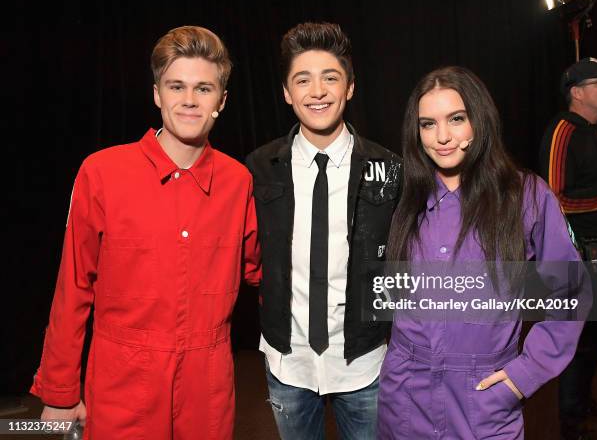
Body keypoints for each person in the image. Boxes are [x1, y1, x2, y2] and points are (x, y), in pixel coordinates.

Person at [30, 26, 261, 439]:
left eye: (204, 88)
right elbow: (74, 284)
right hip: (122, 385)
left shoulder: (238, 181)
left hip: (206, 386)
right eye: (176, 86)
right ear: (157, 94)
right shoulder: (101, 172)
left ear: (221, 102)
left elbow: (264, 274)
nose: (189, 100)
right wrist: (60, 392)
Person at [377, 66, 588, 439]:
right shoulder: (404, 196)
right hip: (406, 397)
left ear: (480, 119)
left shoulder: (527, 196)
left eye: (456, 119)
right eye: (428, 124)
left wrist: (525, 374)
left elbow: (572, 291)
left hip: (484, 398)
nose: (442, 137)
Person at [246, 22, 401, 439]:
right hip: (287, 360)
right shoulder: (258, 168)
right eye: (303, 80)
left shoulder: (388, 168)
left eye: (330, 78)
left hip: (366, 361)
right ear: (286, 93)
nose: (317, 91)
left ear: (349, 87)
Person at [539, 57, 597, 440]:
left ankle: (582, 402)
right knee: (579, 340)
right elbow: (552, 198)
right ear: (577, 92)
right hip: (579, 259)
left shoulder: (596, 131)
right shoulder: (564, 129)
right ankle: (570, 422)